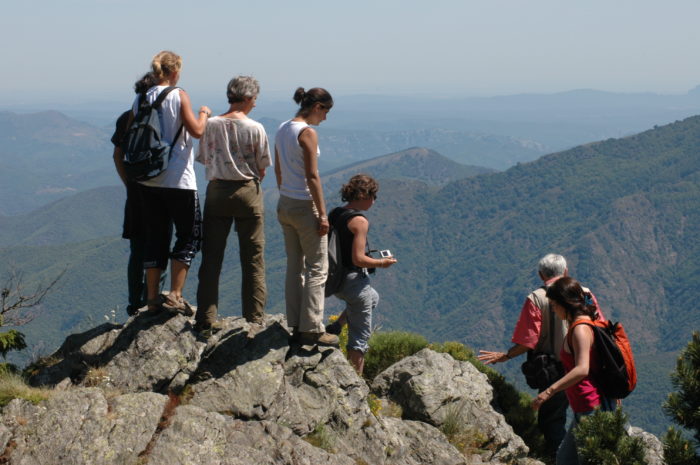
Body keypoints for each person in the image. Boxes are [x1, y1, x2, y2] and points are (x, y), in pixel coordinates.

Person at [477, 254, 602, 460]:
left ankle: (558, 458)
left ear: (541, 274)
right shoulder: (586, 294)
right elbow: (600, 327)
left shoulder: (536, 298)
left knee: (552, 421)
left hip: (554, 370)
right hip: (588, 367)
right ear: (566, 272)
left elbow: (528, 341)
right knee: (589, 419)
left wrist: (506, 356)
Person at [131, 51, 211, 314]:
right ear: (176, 71)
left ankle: (152, 297)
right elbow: (197, 131)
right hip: (178, 179)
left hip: (148, 179)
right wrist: (203, 113)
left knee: (155, 236)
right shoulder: (178, 95)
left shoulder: (140, 98)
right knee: (189, 236)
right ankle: (175, 294)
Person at [194, 76, 271, 332]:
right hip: (247, 191)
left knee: (212, 257)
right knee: (253, 258)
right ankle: (254, 318)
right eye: (255, 99)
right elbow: (262, 167)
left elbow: (204, 159)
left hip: (217, 191)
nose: (255, 104)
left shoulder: (211, 125)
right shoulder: (255, 128)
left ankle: (206, 317)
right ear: (248, 98)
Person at [275, 87, 337, 346]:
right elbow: (313, 176)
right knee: (317, 268)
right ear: (316, 107)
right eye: (325, 112)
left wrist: (285, 193)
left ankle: (296, 322)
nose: (325, 118)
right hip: (304, 205)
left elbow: (278, 168)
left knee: (294, 265)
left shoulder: (282, 128)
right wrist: (322, 214)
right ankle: (312, 328)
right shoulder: (307, 133)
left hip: (285, 203)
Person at [533, 277, 616, 465]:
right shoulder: (584, 324)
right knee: (564, 459)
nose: (553, 310)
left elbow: (582, 369)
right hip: (584, 406)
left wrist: (549, 391)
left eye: (554, 305)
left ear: (565, 304)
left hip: (590, 406)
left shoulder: (580, 329)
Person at [324, 175, 397, 374]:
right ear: (364, 195)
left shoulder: (336, 213)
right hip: (353, 282)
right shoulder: (359, 221)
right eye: (374, 196)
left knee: (374, 297)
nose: (374, 201)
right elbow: (358, 259)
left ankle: (337, 325)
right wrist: (382, 263)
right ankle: (356, 385)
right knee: (359, 340)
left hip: (334, 278)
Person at [111, 74, 169, 316]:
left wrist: (129, 184)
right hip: (160, 189)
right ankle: (153, 300)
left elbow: (117, 155)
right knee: (160, 246)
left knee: (137, 250)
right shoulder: (164, 119)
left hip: (135, 191)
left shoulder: (126, 118)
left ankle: (134, 303)